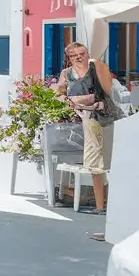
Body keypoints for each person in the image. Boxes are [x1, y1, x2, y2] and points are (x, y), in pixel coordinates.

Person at [54, 41, 116, 214]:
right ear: (69, 58)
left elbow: (102, 94)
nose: (78, 57)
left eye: (82, 53)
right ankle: (100, 205)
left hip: (99, 118)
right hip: (83, 119)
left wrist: (77, 101)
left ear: (87, 54)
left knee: (102, 160)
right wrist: (71, 101)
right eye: (74, 55)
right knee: (95, 161)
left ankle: (104, 205)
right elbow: (59, 95)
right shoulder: (66, 73)